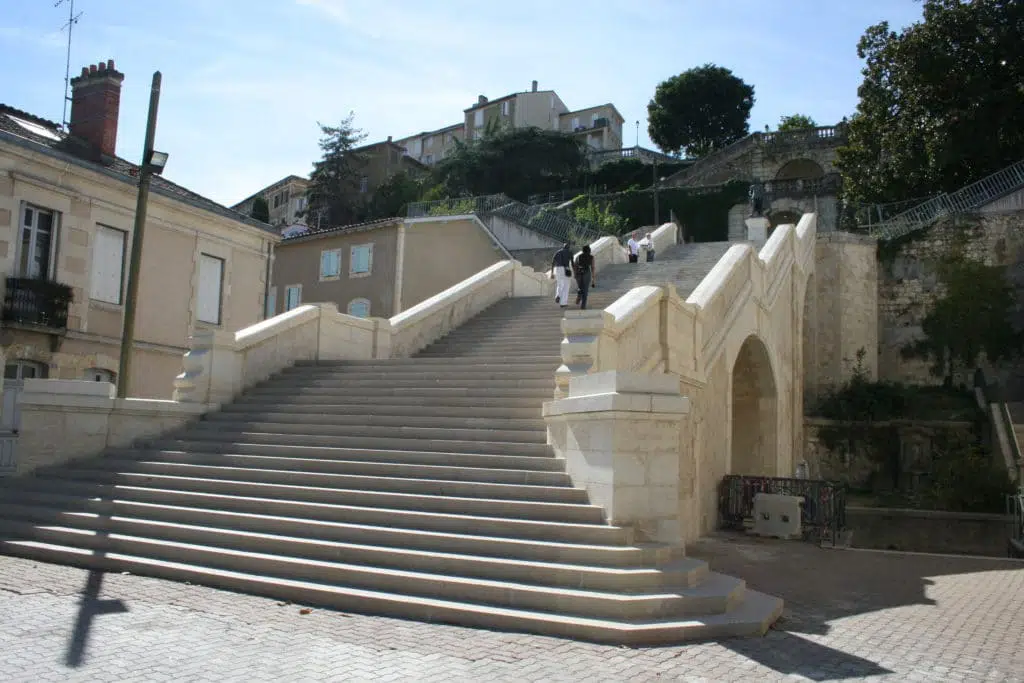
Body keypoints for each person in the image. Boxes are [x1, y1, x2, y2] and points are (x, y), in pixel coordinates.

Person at [549, 242, 573, 308]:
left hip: (558, 269)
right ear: (568, 247)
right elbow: (573, 263)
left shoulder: (557, 252)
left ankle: (558, 295)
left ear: (563, 247)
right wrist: (575, 272)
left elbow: (553, 262)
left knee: (559, 284)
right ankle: (563, 303)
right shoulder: (569, 252)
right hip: (566, 269)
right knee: (566, 286)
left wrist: (552, 273)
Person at [573, 245, 596, 310]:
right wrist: (593, 279)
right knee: (585, 289)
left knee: (580, 287)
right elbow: (593, 268)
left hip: (579, 273)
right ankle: (583, 305)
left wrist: (575, 274)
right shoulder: (591, 257)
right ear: (589, 250)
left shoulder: (578, 256)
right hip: (587, 273)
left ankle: (579, 296)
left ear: (582, 250)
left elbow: (575, 266)